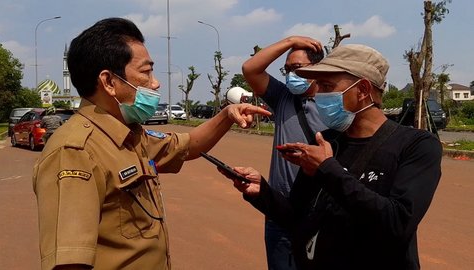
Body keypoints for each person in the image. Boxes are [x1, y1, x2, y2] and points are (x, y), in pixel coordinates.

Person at [32, 17, 270, 270]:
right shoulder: (75, 151)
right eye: (146, 72)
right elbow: (69, 263)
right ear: (109, 82)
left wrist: (226, 115)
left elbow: (189, 145)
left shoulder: (130, 135)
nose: (155, 83)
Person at [227, 44, 442, 270]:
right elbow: (296, 216)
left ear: (363, 90)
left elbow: (398, 222)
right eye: (318, 85)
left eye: (327, 86)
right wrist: (261, 192)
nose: (319, 94)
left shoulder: (417, 145)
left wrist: (328, 169)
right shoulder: (328, 142)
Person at [241, 36, 326, 270]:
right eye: (286, 69)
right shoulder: (282, 97)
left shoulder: (334, 106)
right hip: (279, 211)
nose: (290, 75)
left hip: (318, 214)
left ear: (318, 68)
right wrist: (290, 41)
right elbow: (250, 68)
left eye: (296, 68)